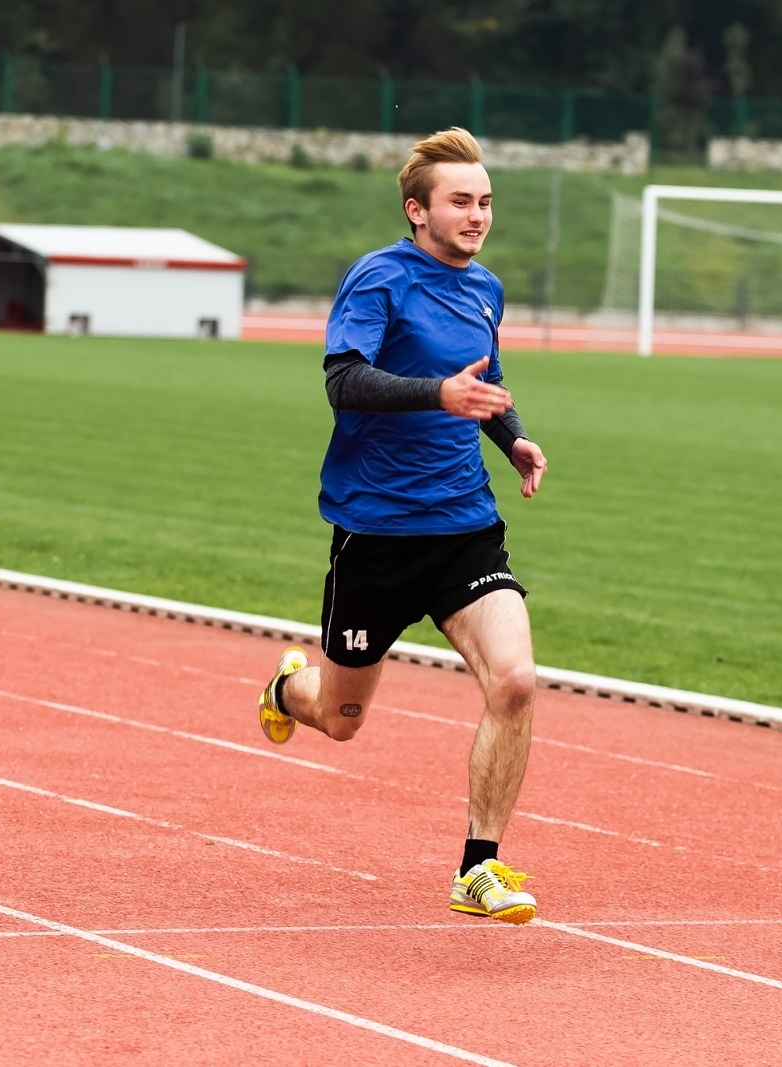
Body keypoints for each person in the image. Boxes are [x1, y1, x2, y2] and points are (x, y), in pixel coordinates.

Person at [256, 127, 549, 925]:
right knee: (340, 721)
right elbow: (344, 380)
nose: (478, 214)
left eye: (486, 201)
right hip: (376, 532)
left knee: (515, 680)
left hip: (463, 526)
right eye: (461, 201)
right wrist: (436, 395)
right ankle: (288, 687)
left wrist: (510, 433)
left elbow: (484, 382)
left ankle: (477, 868)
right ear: (418, 210)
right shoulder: (379, 278)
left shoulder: (486, 287)